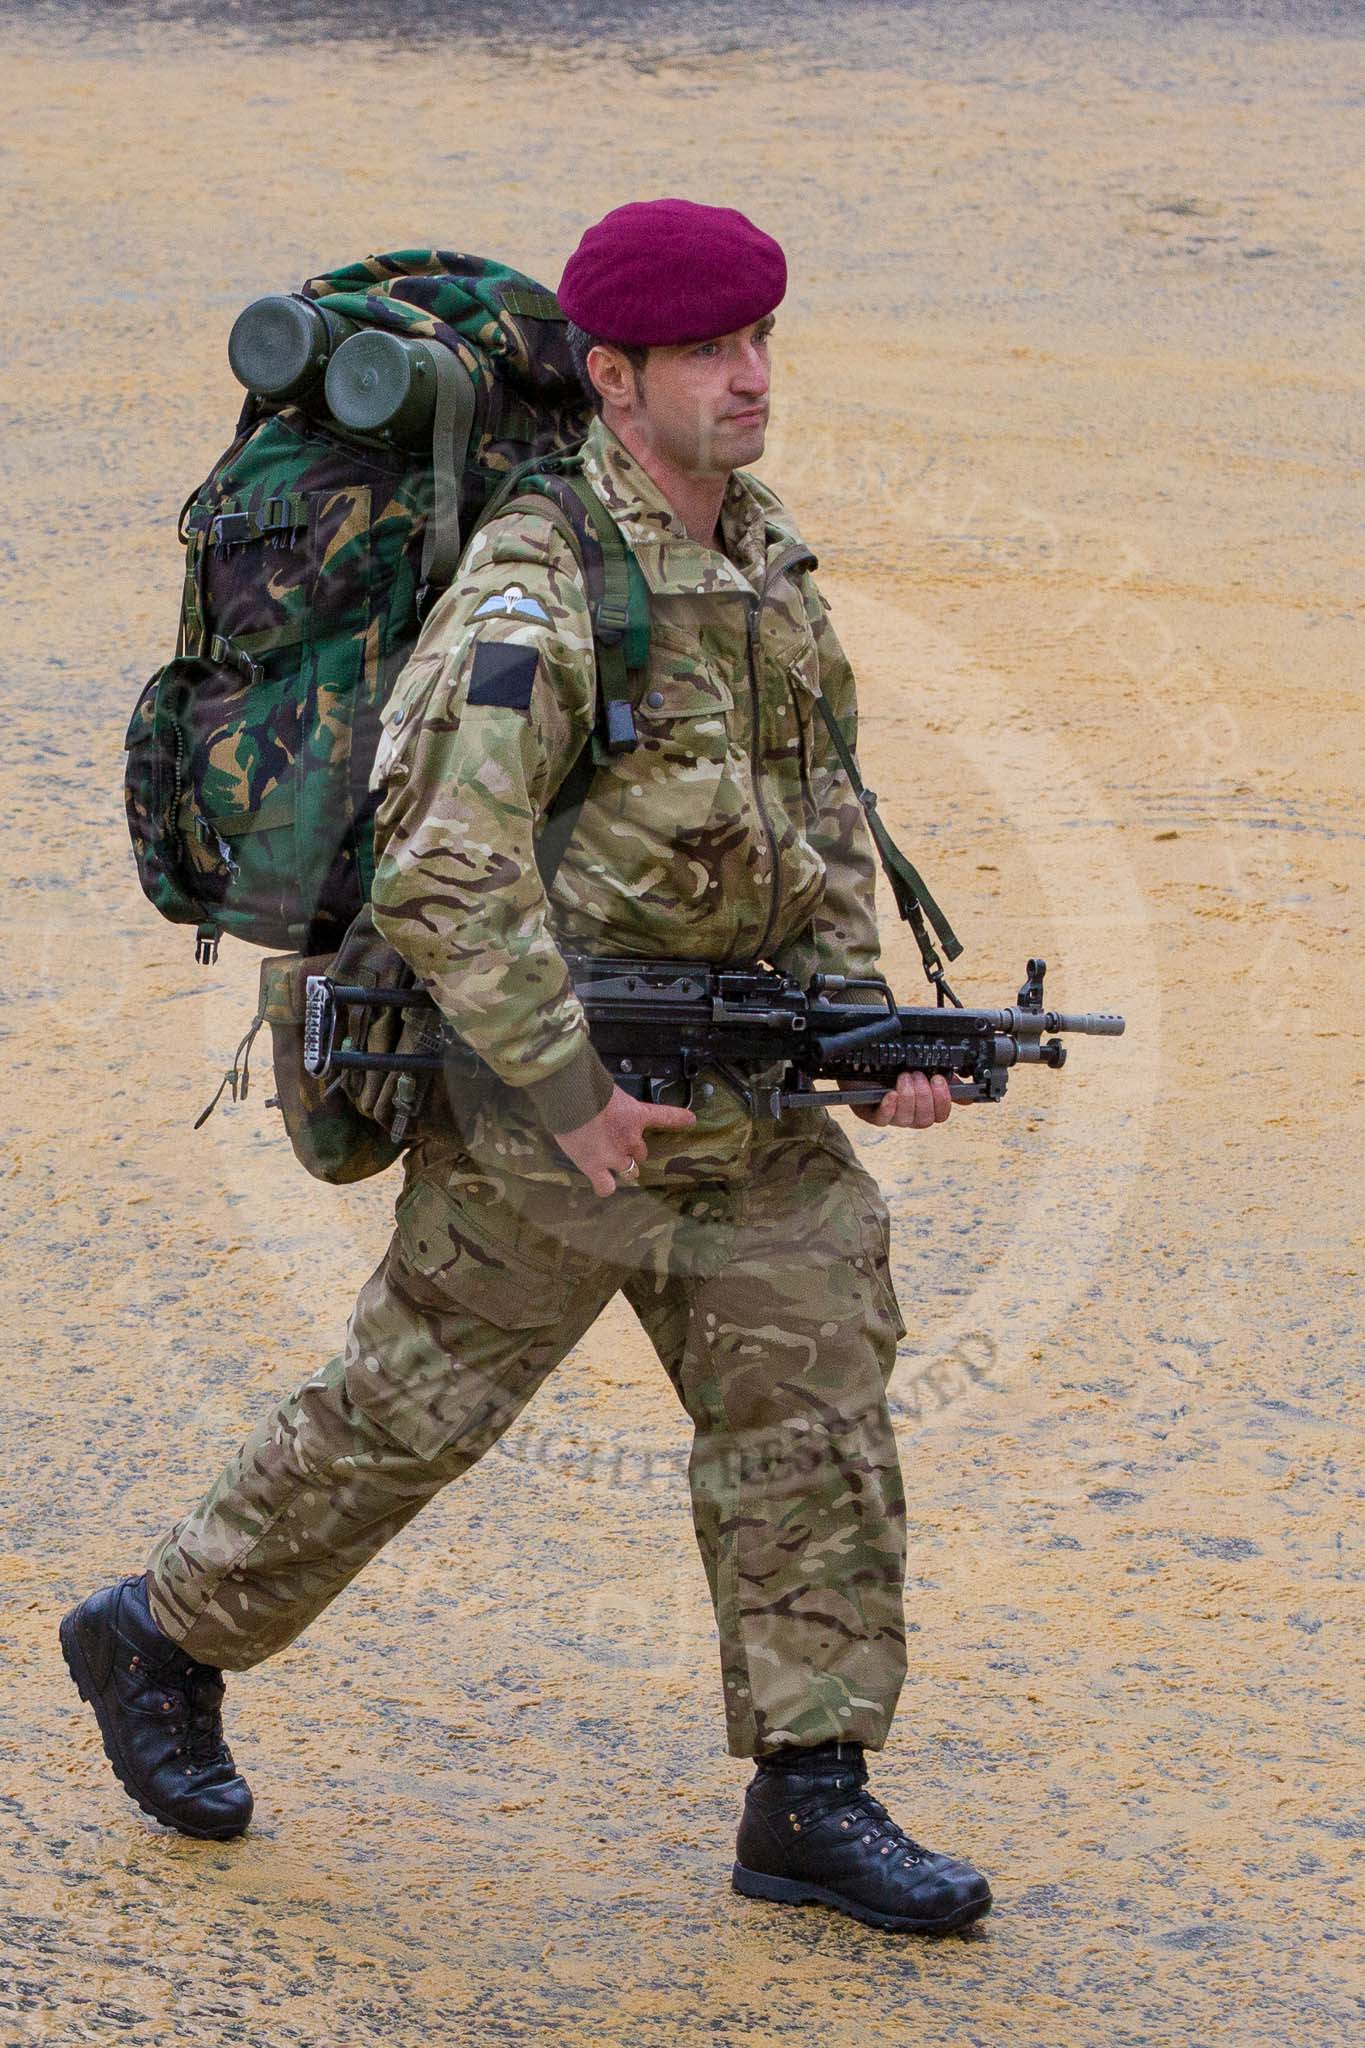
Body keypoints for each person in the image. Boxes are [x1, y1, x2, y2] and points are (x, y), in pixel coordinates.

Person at [61, 199, 992, 1937]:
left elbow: (816, 826)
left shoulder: (764, 555)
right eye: (708, 351)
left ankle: (812, 1794)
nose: (750, 378)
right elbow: (438, 862)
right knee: (406, 1415)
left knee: (818, 1427)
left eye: (761, 341)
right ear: (612, 378)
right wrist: (570, 1096)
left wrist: (867, 1037)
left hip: (752, 1109)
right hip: (551, 1113)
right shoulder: (540, 573)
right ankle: (159, 1636)